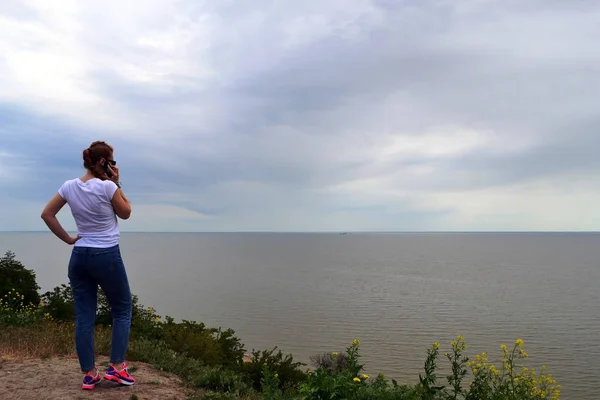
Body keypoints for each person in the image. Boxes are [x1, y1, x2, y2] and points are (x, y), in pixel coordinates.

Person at [41, 141, 135, 390]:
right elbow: (126, 213)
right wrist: (116, 182)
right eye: (111, 162)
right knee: (123, 309)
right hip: (106, 255)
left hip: (80, 255)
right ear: (104, 163)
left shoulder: (69, 186)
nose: (114, 166)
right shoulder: (107, 187)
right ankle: (116, 368)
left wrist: (69, 239)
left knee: (84, 316)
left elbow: (47, 214)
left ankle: (90, 374)